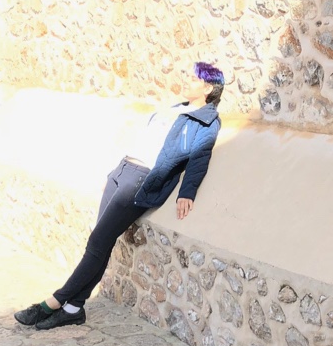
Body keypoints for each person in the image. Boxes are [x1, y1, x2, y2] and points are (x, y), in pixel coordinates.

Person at [18, 63, 225, 331]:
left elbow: (200, 157)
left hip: (140, 180)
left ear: (208, 88)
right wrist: (114, 173)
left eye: (193, 78)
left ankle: (53, 303)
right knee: (100, 242)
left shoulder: (206, 121)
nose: (186, 80)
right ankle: (73, 308)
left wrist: (187, 192)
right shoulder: (176, 108)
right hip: (122, 171)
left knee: (97, 242)